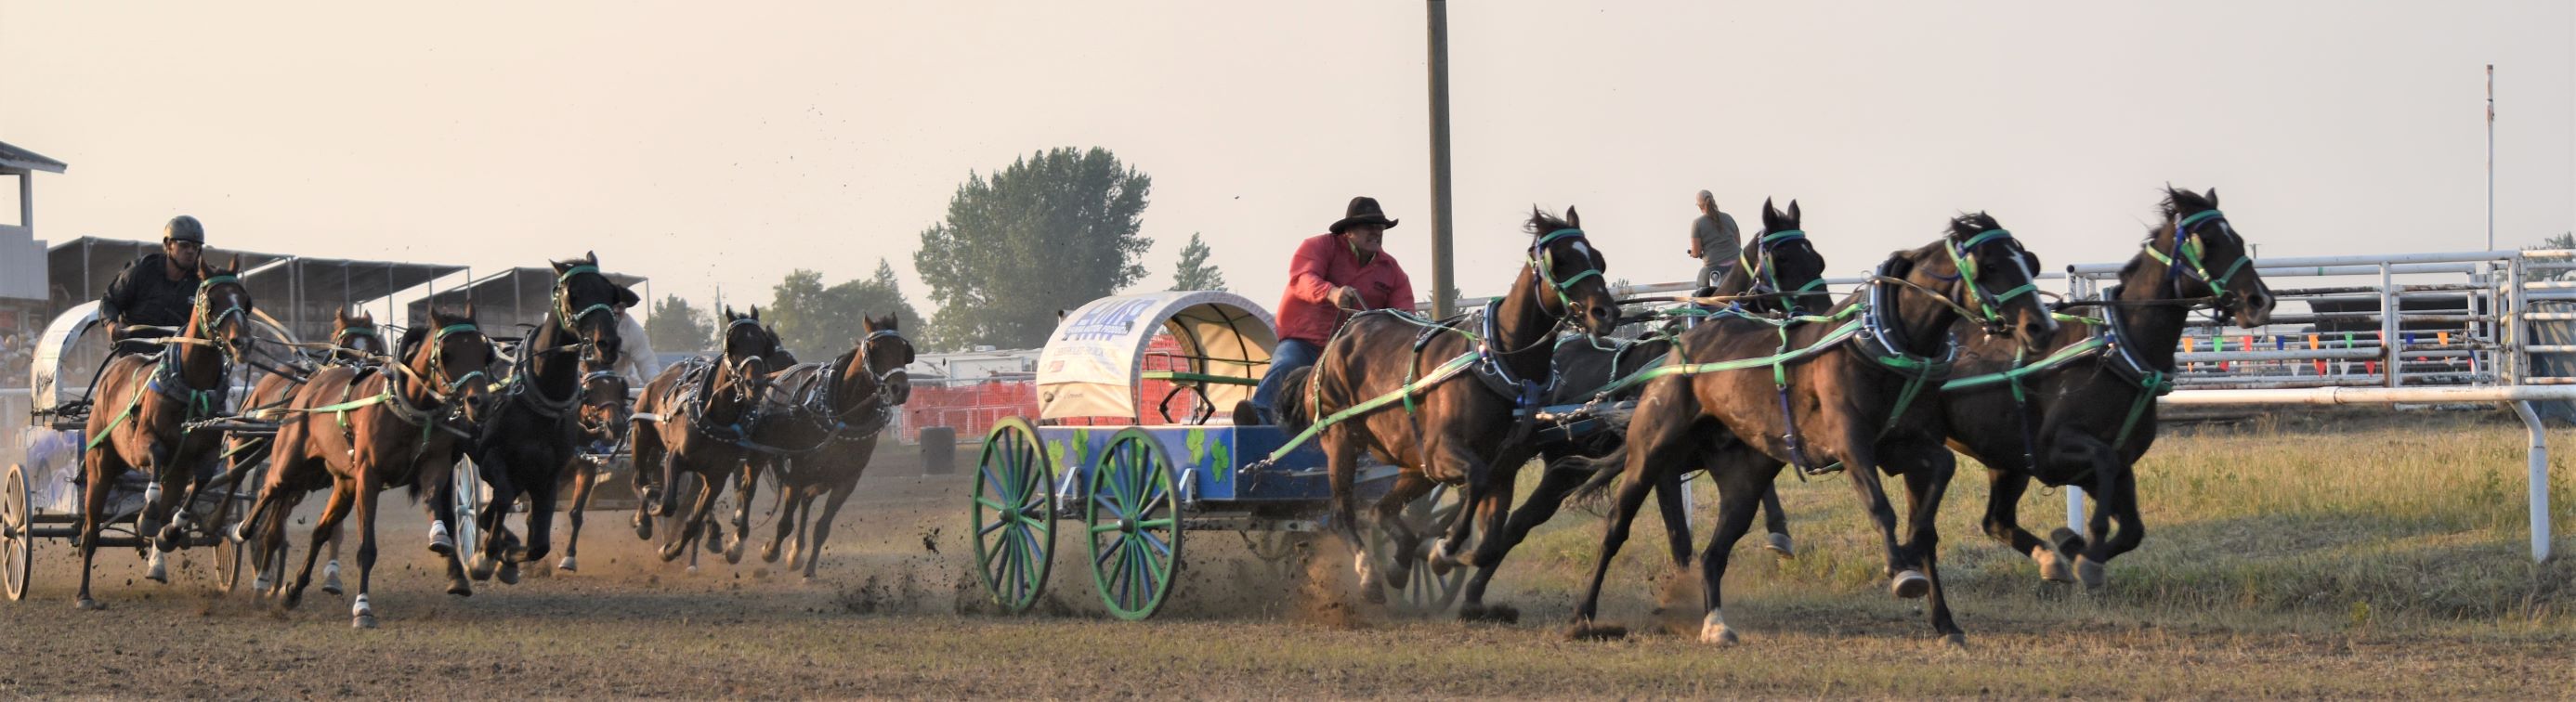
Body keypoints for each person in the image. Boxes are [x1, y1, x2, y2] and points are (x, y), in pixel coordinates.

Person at [1242, 196, 1416, 422]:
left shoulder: (1392, 270)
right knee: (1286, 364)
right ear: (1349, 231)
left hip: (1351, 351)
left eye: (1380, 227)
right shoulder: (1319, 247)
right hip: (1304, 342)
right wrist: (1332, 293)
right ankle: (1257, 419)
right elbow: (1302, 279)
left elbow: (1405, 317)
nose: (1376, 232)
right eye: (1369, 226)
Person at [98, 215, 209, 343]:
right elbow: (109, 301)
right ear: (168, 244)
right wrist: (111, 325)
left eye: (196, 247)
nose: (190, 251)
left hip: (176, 351)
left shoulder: (202, 283)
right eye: (184, 245)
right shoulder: (141, 270)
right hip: (133, 347)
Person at [1688, 190, 1741, 291]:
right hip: (1738, 264)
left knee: (1700, 287)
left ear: (1699, 206)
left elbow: (1697, 252)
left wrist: (1693, 253)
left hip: (1715, 267)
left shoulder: (1697, 223)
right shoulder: (1728, 217)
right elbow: (1738, 243)